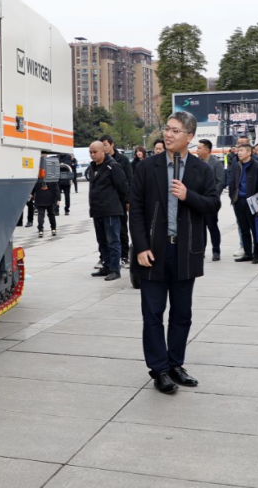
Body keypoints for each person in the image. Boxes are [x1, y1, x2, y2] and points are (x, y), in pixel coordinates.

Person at [130, 111, 221, 394]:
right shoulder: (147, 167)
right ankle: (159, 370)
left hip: (186, 252)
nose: (168, 134)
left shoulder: (200, 169)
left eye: (175, 131)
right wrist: (141, 247)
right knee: (153, 313)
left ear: (189, 137)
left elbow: (213, 204)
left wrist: (187, 195)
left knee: (182, 313)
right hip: (153, 253)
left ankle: (175, 364)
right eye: (167, 129)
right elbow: (136, 211)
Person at [86, 141, 128, 281]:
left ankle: (115, 269)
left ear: (103, 151)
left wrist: (123, 203)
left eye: (95, 152)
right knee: (102, 241)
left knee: (113, 241)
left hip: (110, 210)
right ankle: (106, 266)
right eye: (90, 152)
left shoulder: (113, 166)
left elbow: (123, 187)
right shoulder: (92, 167)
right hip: (97, 210)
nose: (92, 155)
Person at [229, 144, 258, 264]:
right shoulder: (236, 165)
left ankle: (257, 254)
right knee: (244, 228)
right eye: (238, 150)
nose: (238, 152)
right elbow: (232, 182)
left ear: (249, 152)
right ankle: (247, 253)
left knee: (255, 229)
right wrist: (232, 197)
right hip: (238, 201)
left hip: (252, 202)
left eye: (241, 150)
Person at [101, 135, 134, 267]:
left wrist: (128, 200)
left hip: (120, 200)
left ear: (111, 144)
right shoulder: (101, 160)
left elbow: (129, 180)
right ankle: (106, 257)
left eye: (105, 144)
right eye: (101, 144)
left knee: (121, 228)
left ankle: (124, 255)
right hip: (105, 202)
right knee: (105, 231)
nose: (104, 147)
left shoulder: (122, 160)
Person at [195, 139, 226, 261]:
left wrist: (212, 197)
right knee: (200, 227)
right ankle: (200, 251)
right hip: (198, 201)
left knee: (212, 226)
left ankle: (216, 251)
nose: (197, 150)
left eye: (199, 148)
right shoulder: (196, 163)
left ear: (207, 150)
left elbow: (220, 182)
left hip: (210, 202)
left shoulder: (216, 163)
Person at [32, 168, 58, 237]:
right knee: (51, 214)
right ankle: (53, 229)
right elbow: (56, 188)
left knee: (41, 215)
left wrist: (31, 195)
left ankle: (41, 230)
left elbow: (33, 188)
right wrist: (58, 198)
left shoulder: (37, 177)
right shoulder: (51, 177)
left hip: (40, 198)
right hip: (50, 198)